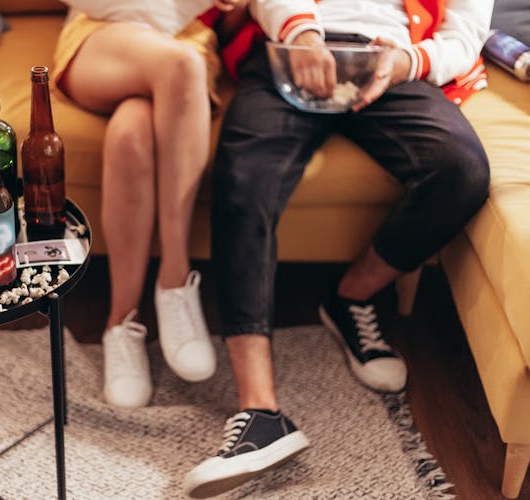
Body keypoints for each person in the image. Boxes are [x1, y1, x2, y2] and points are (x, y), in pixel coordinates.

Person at [183, 0, 493, 496]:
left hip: (395, 63)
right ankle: (260, 413)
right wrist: (302, 33)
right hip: (292, 48)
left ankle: (349, 297)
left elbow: (467, 34)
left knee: (462, 173)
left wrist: (407, 63)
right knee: (243, 181)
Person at [52, 0, 249, 407]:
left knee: (131, 137)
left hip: (189, 41)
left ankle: (121, 322)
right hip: (102, 36)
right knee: (180, 66)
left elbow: (230, 28)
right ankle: (175, 278)